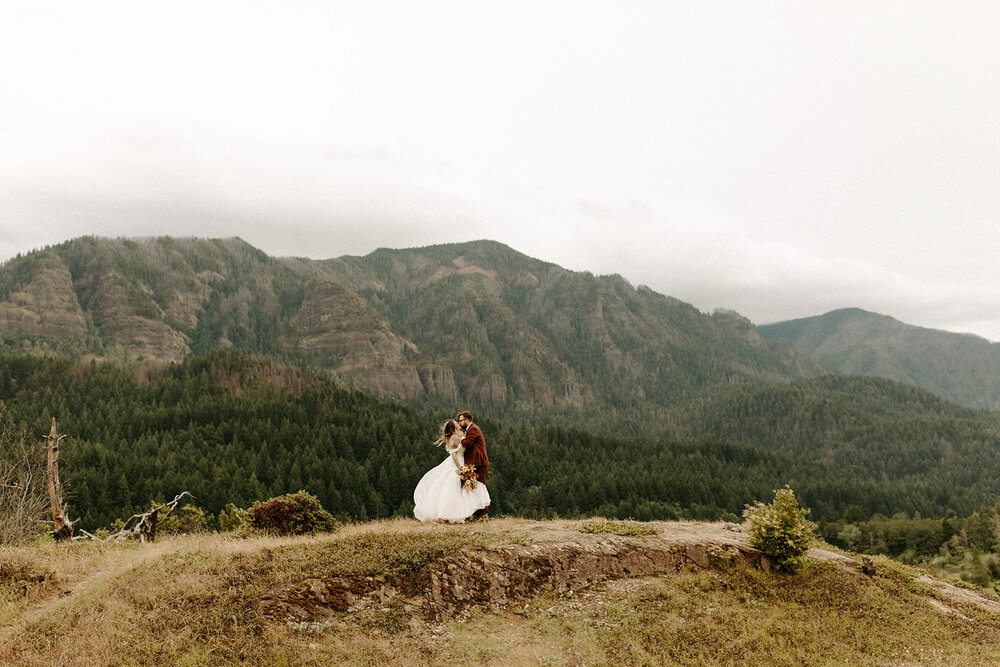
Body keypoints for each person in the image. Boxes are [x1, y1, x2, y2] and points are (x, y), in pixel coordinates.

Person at [413, 418, 491, 523]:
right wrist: (460, 468)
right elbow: (454, 454)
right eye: (456, 423)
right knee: (453, 489)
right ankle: (449, 515)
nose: (459, 424)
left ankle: (455, 515)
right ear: (454, 428)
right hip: (457, 463)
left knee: (458, 490)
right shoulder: (454, 438)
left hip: (462, 462)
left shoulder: (458, 435)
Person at [457, 410, 490, 520]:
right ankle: (477, 515)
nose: (460, 423)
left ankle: (482, 515)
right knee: (474, 488)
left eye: (461, 420)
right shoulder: (469, 429)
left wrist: (461, 437)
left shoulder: (473, 429)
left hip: (479, 464)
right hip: (475, 464)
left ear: (467, 420)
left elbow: (468, 443)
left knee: (479, 487)